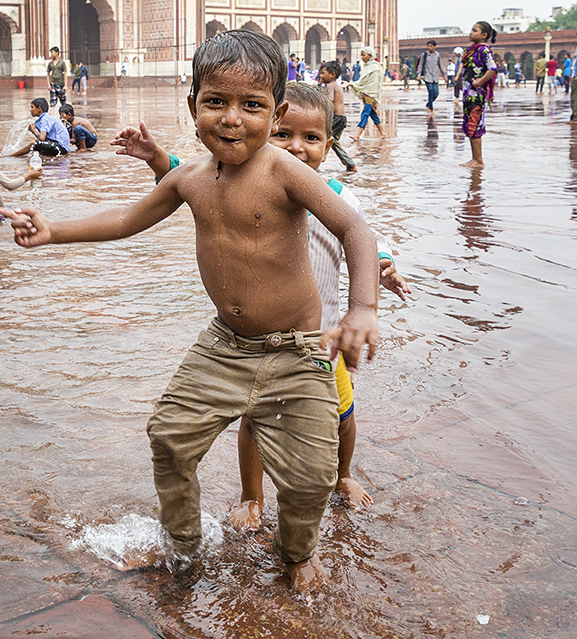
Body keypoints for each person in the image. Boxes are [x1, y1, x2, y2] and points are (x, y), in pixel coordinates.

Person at [4, 30, 380, 589]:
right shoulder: (190, 179)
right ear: (193, 105)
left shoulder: (285, 173)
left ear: (275, 114)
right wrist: (56, 230)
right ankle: (181, 542)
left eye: (251, 106)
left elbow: (355, 228)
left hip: (298, 351)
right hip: (224, 346)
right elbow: (128, 220)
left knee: (310, 475)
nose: (232, 118)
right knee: (170, 438)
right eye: (216, 102)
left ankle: (298, 553)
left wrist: (362, 307)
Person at [115, 82, 408, 524]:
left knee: (341, 416)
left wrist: (381, 271)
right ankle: (252, 497)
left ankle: (342, 475)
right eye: (284, 134)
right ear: (267, 128)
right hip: (264, 341)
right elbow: (188, 177)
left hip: (324, 338)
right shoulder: (249, 185)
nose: (296, 147)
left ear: (328, 147)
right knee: (253, 417)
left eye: (311, 139)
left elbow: (364, 238)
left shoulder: (339, 199)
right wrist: (156, 158)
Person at [460, 21, 498, 167]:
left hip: (476, 95)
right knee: (471, 125)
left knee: (475, 125)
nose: (470, 32)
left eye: (474, 30)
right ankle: (475, 158)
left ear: (484, 35)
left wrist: (479, 82)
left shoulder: (483, 50)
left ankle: (478, 160)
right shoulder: (473, 50)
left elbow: (492, 68)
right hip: (469, 94)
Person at [317, 60, 356, 173]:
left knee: (324, 138)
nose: (321, 76)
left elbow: (329, 101)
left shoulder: (330, 86)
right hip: (341, 118)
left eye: (323, 73)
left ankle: (311, 164)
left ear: (332, 74)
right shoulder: (335, 85)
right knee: (333, 142)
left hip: (336, 118)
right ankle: (350, 164)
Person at [348, 48, 385, 141]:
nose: (362, 57)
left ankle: (358, 134)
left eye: (364, 55)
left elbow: (374, 84)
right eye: (361, 55)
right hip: (366, 94)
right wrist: (353, 84)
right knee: (372, 114)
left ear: (370, 55)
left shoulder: (375, 68)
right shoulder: (367, 67)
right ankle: (383, 132)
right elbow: (363, 81)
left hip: (371, 95)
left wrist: (367, 93)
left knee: (365, 113)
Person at [415, 40, 447, 119]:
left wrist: (444, 75)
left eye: (431, 46)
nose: (429, 48)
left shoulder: (437, 55)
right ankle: (432, 109)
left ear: (434, 47)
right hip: (427, 76)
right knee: (431, 92)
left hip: (435, 77)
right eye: (428, 46)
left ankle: (428, 104)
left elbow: (440, 65)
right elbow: (420, 65)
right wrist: (418, 75)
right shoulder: (424, 55)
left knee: (436, 93)